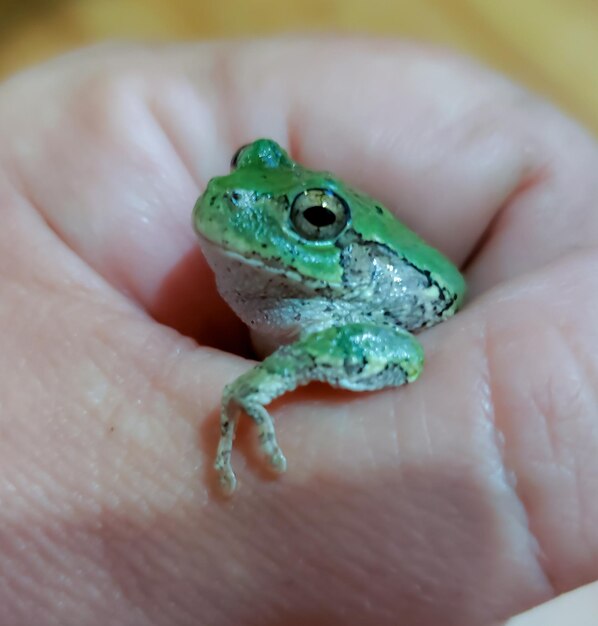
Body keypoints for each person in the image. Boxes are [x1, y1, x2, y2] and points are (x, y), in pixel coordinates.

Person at [0, 38, 596, 626]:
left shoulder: (357, 304)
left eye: (311, 219)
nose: (229, 194)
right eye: (239, 166)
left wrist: (278, 372)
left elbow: (400, 353)